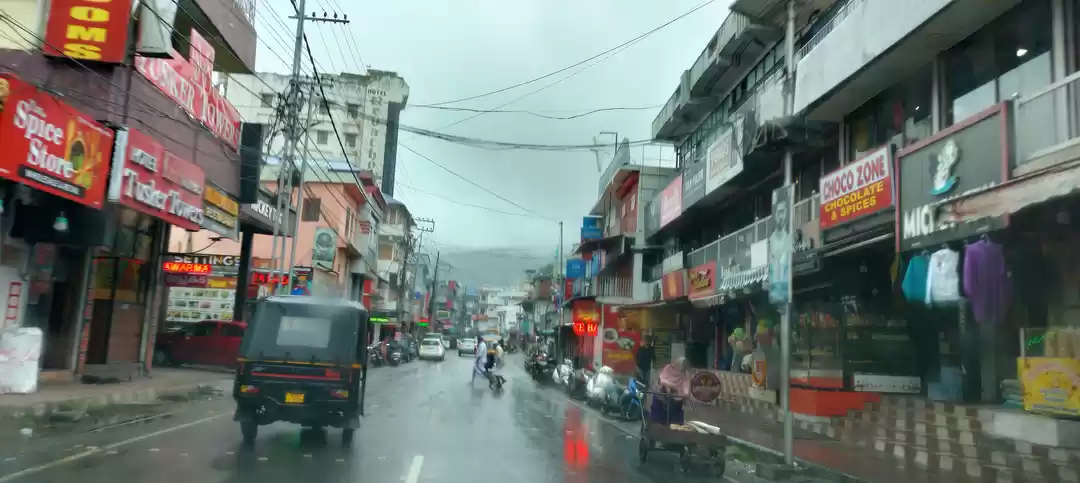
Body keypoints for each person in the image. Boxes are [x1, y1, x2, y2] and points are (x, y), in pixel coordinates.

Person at [649, 357, 690, 425]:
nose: (682, 369)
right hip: (660, 396)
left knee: (676, 423)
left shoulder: (685, 374)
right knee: (658, 422)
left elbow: (686, 391)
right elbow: (663, 382)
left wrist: (682, 394)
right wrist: (674, 388)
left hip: (676, 401)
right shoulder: (668, 368)